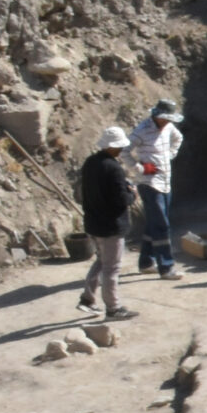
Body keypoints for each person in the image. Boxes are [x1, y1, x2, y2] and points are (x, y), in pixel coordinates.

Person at [77, 127, 139, 321]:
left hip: (93, 223)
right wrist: (132, 194)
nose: (121, 150)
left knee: (101, 261)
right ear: (112, 147)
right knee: (111, 268)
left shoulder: (90, 163)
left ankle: (87, 299)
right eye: (119, 147)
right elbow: (121, 200)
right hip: (111, 226)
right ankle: (113, 308)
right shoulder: (113, 168)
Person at [127, 98, 185, 280]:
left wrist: (170, 154)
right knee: (161, 225)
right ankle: (166, 267)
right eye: (165, 118)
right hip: (149, 183)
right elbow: (124, 151)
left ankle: (146, 262)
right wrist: (140, 168)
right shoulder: (142, 130)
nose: (167, 122)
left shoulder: (168, 128)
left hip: (165, 181)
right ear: (156, 115)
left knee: (155, 222)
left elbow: (178, 138)